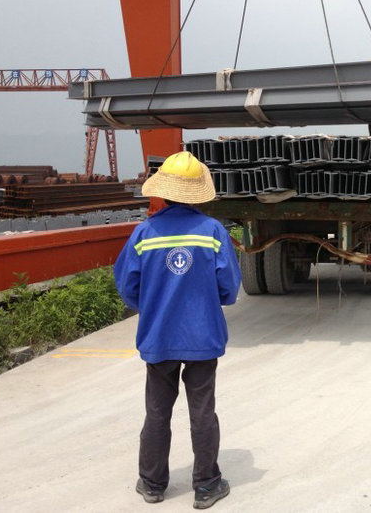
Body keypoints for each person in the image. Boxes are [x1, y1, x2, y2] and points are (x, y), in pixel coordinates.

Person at [113, 151, 242, 509]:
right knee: (202, 412)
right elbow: (229, 288)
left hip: (159, 338)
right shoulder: (213, 232)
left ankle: (152, 484)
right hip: (203, 337)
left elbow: (127, 286)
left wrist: (152, 306)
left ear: (165, 191)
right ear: (197, 193)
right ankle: (207, 485)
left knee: (157, 412)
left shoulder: (144, 233)